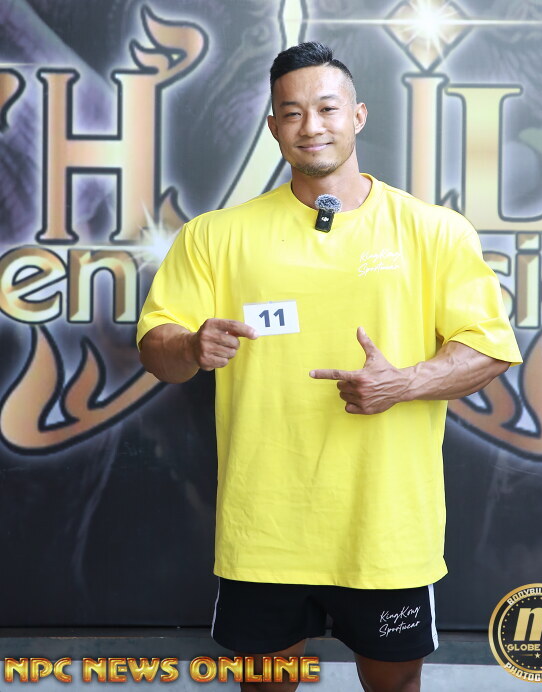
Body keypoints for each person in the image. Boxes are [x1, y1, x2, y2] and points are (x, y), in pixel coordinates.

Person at [137, 41, 521, 692]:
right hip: (264, 529)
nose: (310, 125)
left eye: (327, 108)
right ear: (273, 127)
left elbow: (488, 348)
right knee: (266, 685)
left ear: (358, 116)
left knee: (394, 684)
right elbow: (157, 350)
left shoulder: (434, 230)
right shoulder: (215, 235)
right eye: (292, 112)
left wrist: (403, 383)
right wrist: (190, 347)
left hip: (386, 529)